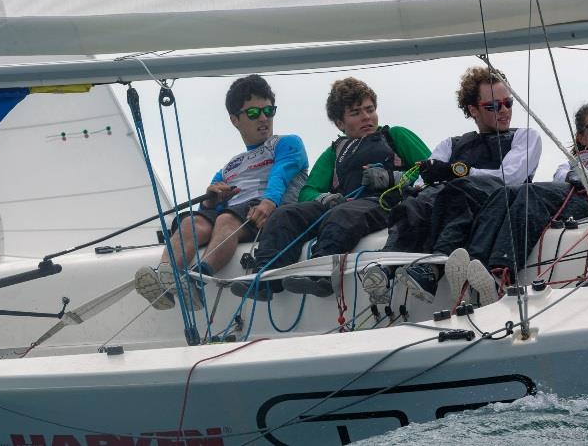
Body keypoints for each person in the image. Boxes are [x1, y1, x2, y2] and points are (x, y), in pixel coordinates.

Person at [232, 77, 430, 300]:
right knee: (285, 214)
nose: (366, 117)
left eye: (370, 109)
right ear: (340, 123)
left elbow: (433, 168)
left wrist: (394, 178)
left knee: (341, 215)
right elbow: (308, 191)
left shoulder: (395, 136)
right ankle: (266, 278)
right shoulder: (333, 153)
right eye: (356, 113)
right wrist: (324, 197)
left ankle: (322, 277)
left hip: (384, 202)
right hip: (343, 203)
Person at [364, 66, 542, 303]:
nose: (504, 111)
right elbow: (420, 181)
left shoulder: (526, 137)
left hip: (495, 200)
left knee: (459, 190)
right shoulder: (452, 144)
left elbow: (509, 177)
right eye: (493, 106)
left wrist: (455, 172)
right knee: (416, 203)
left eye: (508, 103)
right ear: (473, 110)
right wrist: (427, 177)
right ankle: (386, 267)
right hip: (451, 197)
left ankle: (434, 267)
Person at [134, 74, 309, 310]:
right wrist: (210, 202)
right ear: (235, 120)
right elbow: (208, 211)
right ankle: (165, 278)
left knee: (227, 219)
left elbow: (280, 175)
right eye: (254, 113)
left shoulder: (287, 143)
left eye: (269, 110)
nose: (264, 118)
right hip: (235, 210)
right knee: (190, 223)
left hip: (265, 209)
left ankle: (198, 279)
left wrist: (268, 203)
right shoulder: (229, 167)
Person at [450, 99, 588, 305]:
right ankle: (473, 266)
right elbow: (559, 174)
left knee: (529, 194)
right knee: (503, 194)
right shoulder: (575, 161)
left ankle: (500, 274)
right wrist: (573, 174)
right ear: (582, 137)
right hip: (574, 192)